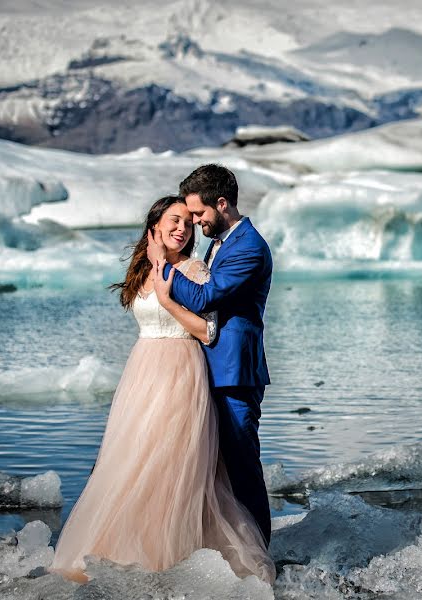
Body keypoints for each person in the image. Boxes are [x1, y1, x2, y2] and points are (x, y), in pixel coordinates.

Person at [49, 195, 274, 584]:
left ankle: (175, 553)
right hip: (142, 373)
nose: (182, 229)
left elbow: (206, 330)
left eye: (188, 222)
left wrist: (168, 297)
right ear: (154, 226)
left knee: (173, 464)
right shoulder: (142, 270)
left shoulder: (194, 269)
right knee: (132, 461)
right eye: (174, 220)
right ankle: (124, 549)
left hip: (181, 372)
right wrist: (156, 270)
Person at [146, 164, 273, 545]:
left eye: (199, 214)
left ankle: (259, 552)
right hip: (209, 371)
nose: (195, 222)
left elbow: (204, 297)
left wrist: (164, 264)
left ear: (222, 204)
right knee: (212, 468)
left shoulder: (248, 246)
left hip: (235, 374)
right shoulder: (219, 242)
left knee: (242, 467)